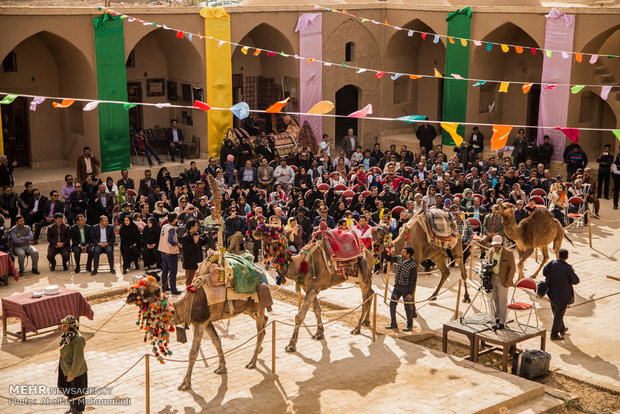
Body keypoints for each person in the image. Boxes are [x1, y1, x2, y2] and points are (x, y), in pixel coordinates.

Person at [542, 249, 580, 340]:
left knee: (557, 313)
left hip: (551, 293)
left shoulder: (551, 263)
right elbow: (576, 281)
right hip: (562, 296)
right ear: (567, 257)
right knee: (558, 314)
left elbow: (544, 273)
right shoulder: (568, 269)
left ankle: (562, 329)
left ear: (558, 255)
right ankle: (554, 334)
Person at [382, 246, 418, 331]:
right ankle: (393, 323)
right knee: (392, 305)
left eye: (404, 252)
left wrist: (410, 293)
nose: (401, 253)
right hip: (397, 287)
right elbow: (389, 258)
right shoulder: (399, 258)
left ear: (408, 254)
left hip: (406, 288)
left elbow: (413, 280)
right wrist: (383, 252)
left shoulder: (413, 265)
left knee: (407, 307)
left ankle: (409, 325)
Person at [58, 315, 88, 414]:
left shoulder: (78, 339)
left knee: (78, 393)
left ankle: (77, 411)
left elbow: (78, 359)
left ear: (71, 327)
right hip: (65, 368)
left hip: (76, 372)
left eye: (65, 326)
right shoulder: (66, 337)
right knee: (66, 388)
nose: (63, 328)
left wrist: (72, 373)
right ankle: (72, 407)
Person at [486, 235, 516, 330]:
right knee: (495, 299)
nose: (496, 247)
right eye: (495, 245)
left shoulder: (508, 253)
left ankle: (503, 321)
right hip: (493, 277)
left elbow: (512, 268)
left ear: (501, 244)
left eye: (498, 245)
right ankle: (497, 317)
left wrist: (509, 281)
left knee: (503, 301)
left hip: (502, 279)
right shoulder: (491, 251)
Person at [158, 212, 181, 294]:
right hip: (170, 252)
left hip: (163, 251)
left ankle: (164, 287)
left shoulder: (164, 226)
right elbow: (170, 240)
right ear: (175, 219)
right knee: (173, 271)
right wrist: (177, 244)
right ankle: (173, 289)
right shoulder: (171, 228)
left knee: (165, 270)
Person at [181, 219, 207, 286]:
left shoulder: (196, 234)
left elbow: (202, 243)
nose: (197, 227)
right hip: (190, 263)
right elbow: (187, 250)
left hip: (197, 261)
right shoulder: (185, 237)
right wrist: (194, 243)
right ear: (191, 227)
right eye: (196, 226)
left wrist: (207, 237)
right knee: (190, 282)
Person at [614, 145, 620, 210]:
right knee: (616, 191)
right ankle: (615, 204)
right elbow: (615, 170)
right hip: (617, 178)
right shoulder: (618, 157)